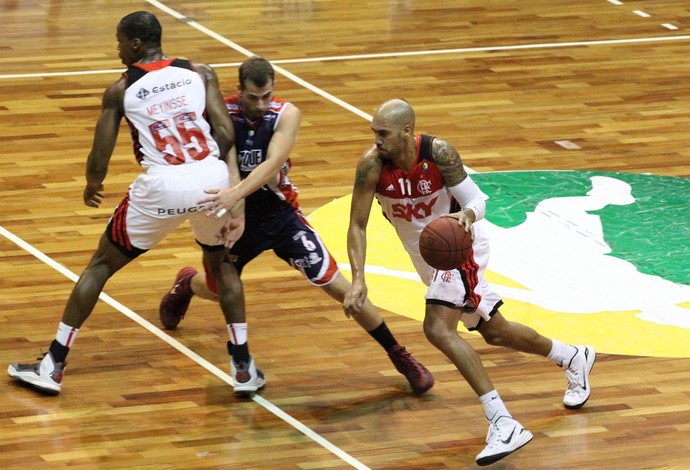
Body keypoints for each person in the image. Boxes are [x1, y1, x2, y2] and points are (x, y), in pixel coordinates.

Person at [7, 11, 256, 395]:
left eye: (119, 41)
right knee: (222, 265)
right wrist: (200, 168)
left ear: (136, 44)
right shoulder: (200, 71)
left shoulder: (121, 89)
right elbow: (224, 131)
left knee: (100, 266)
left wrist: (93, 184)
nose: (117, 48)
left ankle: (53, 365)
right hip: (212, 181)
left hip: (162, 186)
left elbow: (99, 156)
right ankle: (243, 366)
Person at [158, 56, 434, 396]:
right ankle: (187, 284)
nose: (261, 105)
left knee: (337, 284)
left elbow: (273, 163)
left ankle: (399, 354)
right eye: (253, 97)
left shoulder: (286, 114)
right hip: (230, 216)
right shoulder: (219, 112)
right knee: (218, 290)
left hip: (278, 214)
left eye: (267, 97)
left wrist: (237, 196)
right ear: (239, 91)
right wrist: (234, 207)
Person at [343, 98, 596, 466]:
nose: (376, 140)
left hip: (462, 247)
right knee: (495, 331)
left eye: (383, 134)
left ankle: (502, 421)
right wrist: (358, 279)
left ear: (407, 132)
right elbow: (357, 225)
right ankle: (573, 357)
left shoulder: (439, 153)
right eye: (374, 133)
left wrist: (466, 214)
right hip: (430, 261)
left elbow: (478, 200)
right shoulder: (371, 166)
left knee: (437, 329)